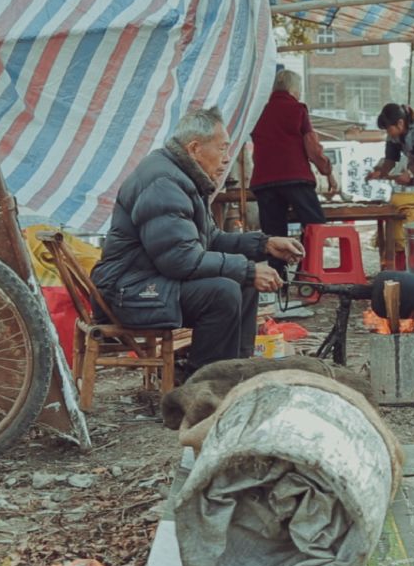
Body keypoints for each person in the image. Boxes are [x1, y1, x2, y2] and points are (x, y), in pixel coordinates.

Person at [90, 107, 305, 376]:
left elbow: (210, 239)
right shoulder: (163, 182)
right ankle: (202, 382)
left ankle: (234, 371)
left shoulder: (180, 176)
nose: (226, 159)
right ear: (194, 148)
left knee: (244, 284)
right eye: (222, 149)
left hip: (148, 282)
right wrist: (248, 269)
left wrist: (264, 244)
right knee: (223, 292)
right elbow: (180, 259)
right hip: (128, 292)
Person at [250, 70, 338, 280]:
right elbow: (313, 148)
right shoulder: (297, 109)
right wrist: (328, 172)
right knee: (314, 223)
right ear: (292, 90)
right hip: (294, 176)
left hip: (264, 181)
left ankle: (277, 278)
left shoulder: (258, 113)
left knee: (273, 233)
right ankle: (308, 273)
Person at [366, 104, 414, 187]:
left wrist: (410, 173)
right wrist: (380, 172)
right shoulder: (393, 137)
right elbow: (390, 160)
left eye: (389, 129)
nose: (388, 133)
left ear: (400, 123)